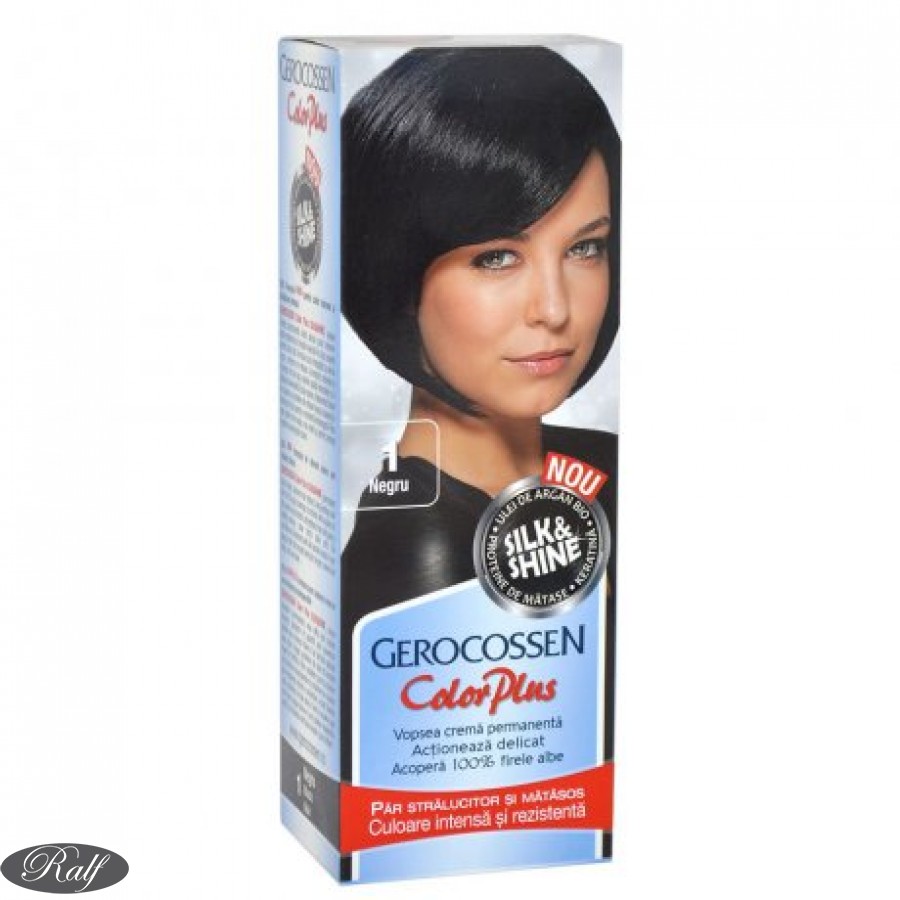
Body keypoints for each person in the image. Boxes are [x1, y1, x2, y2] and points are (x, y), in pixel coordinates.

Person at [338, 44, 620, 786]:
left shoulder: (607, 468)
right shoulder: (402, 568)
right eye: (497, 257)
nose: (554, 309)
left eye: (586, 248)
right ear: (394, 271)